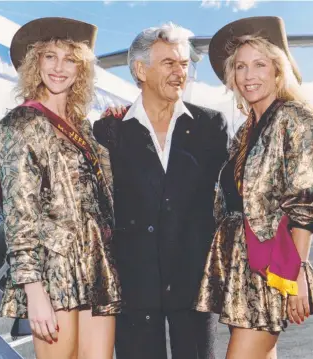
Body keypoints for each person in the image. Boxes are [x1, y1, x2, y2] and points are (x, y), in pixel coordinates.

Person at [194, 16, 313, 359]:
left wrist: (298, 273)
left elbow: (305, 202)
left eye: (259, 64)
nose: (248, 75)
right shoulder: (246, 131)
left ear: (278, 69)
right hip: (239, 263)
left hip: (272, 264)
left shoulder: (297, 118)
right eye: (240, 67)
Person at [93, 22, 229, 359]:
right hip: (134, 285)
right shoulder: (110, 130)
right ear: (140, 70)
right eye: (168, 63)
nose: (180, 72)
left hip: (192, 283)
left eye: (184, 64)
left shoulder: (211, 127)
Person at [0, 17, 122, 359]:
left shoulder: (83, 127)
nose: (59, 67)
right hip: (54, 269)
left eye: (70, 59)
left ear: (81, 69)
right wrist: (34, 291)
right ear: (36, 63)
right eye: (50, 56)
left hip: (95, 263)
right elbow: (19, 214)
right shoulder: (18, 125)